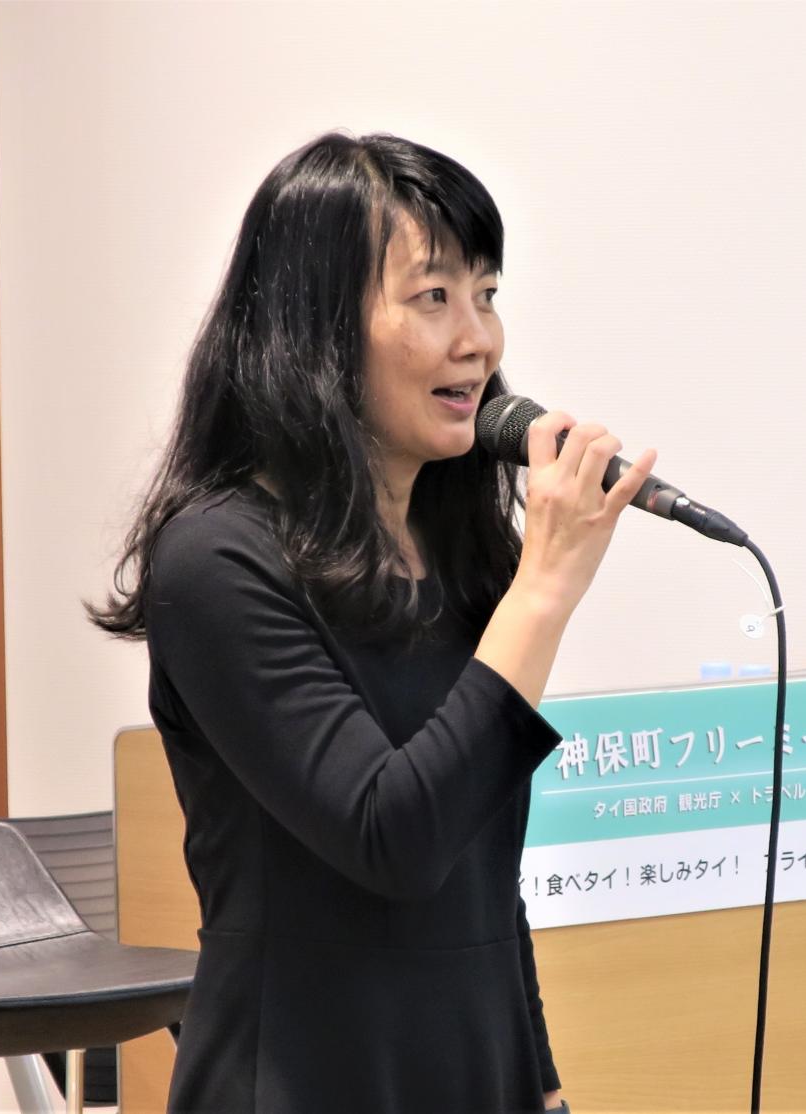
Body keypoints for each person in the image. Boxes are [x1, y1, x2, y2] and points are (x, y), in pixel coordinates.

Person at [88, 131, 655, 1114]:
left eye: (486, 293)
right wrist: (544, 591)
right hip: (300, 1077)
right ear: (317, 326)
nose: (478, 340)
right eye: (433, 297)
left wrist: (544, 1083)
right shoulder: (217, 559)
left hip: (477, 1073)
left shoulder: (461, 552)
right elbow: (395, 837)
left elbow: (483, 872)